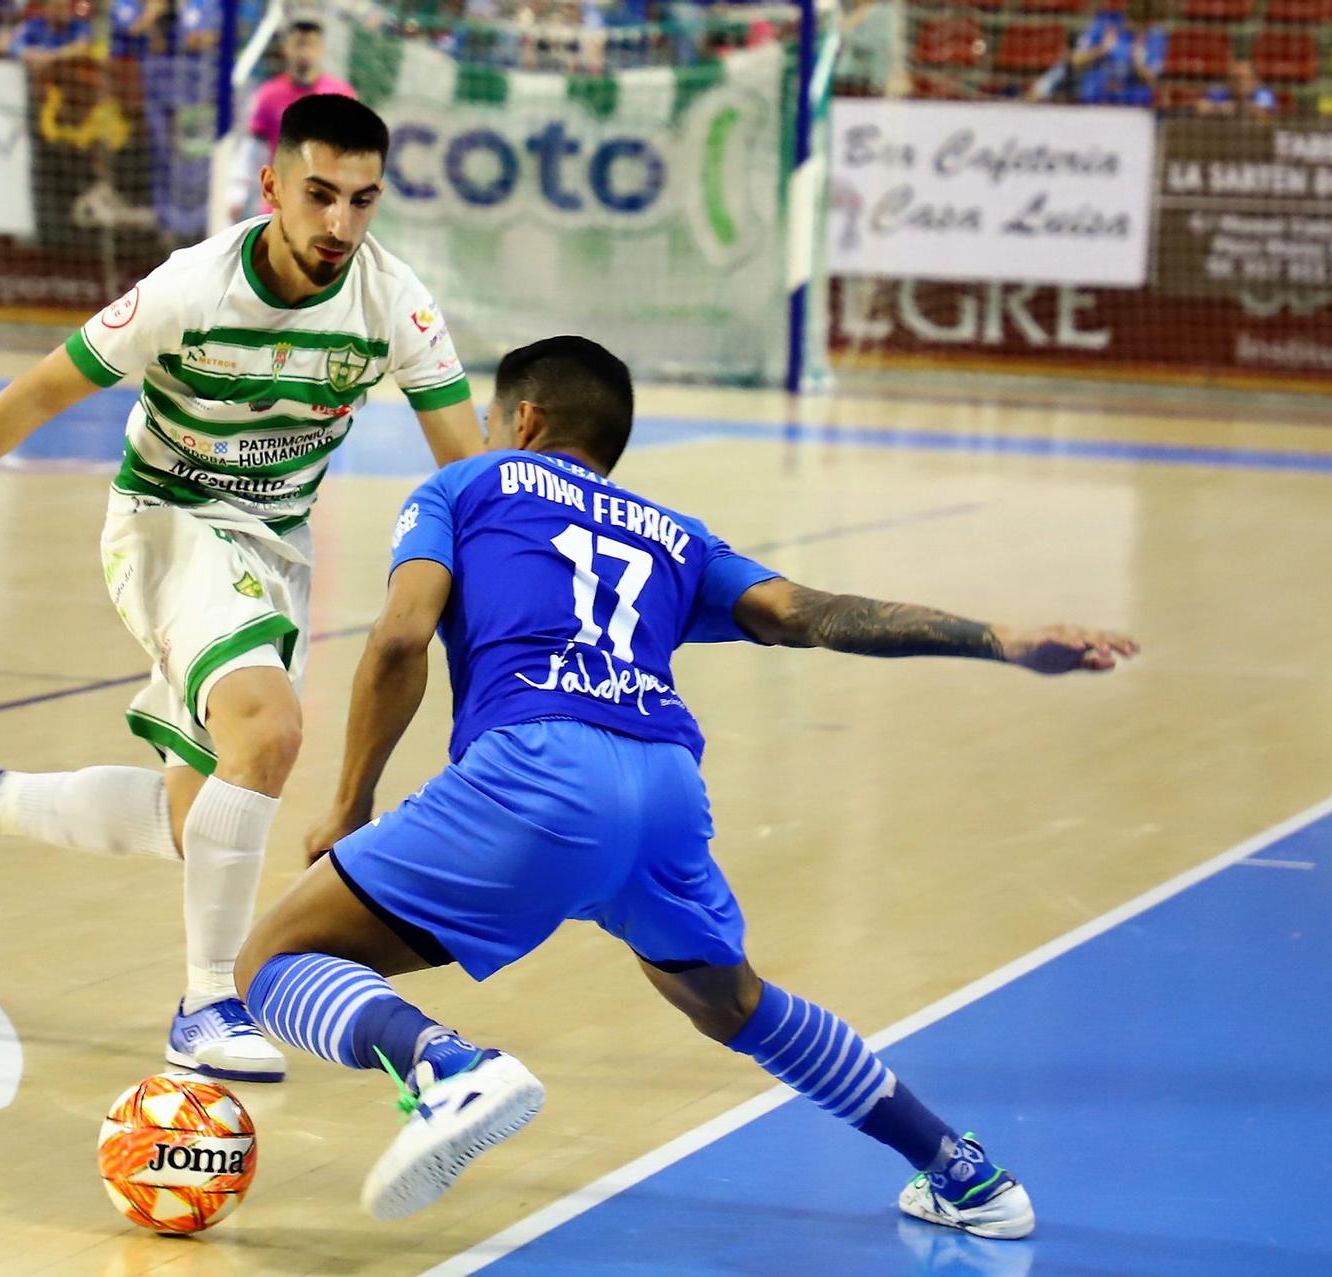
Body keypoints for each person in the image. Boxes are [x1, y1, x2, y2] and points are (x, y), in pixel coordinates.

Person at [233, 335, 1137, 1225]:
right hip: (664, 786)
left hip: (537, 770)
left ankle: (448, 1067)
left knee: (271, 960)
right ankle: (961, 1171)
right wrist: (997, 638)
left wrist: (350, 800)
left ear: (526, 417)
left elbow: (400, 636)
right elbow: (810, 614)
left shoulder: (467, 483)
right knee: (732, 1001)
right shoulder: (675, 535)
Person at [0, 94, 483, 1084]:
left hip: (271, 545)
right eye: (319, 196)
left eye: (362, 200)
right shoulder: (189, 289)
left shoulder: (394, 303)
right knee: (267, 734)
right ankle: (207, 1000)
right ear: (271, 187)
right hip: (166, 521)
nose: (340, 225)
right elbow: (39, 392)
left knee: (201, 822)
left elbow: (468, 474)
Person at [228, 20, 357, 224]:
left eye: (311, 45)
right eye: (299, 44)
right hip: (280, 203)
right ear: (287, 48)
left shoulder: (342, 96)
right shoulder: (269, 95)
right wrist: (237, 193)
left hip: (327, 205)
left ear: (322, 49)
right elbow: (252, 150)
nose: (305, 52)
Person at [1070, 0, 1166, 107]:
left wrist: (1139, 64)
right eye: (1135, 24)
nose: (1140, 31)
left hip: (1133, 105)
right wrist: (1102, 49)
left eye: (1145, 27)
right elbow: (1076, 60)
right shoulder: (1103, 25)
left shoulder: (1155, 36)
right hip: (1095, 100)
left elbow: (1152, 80)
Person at [4, 0, 92, 61]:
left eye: (64, 7)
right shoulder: (34, 24)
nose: (62, 12)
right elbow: (13, 46)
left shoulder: (77, 26)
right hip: (36, 76)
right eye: (57, 7)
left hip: (67, 76)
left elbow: (82, 47)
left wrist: (49, 56)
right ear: (46, 8)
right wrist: (34, 55)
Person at [1199, 58, 1275, 117]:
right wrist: (1220, 108)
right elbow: (1201, 107)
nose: (1238, 83)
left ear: (1254, 81)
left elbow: (1264, 112)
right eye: (1234, 78)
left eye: (1243, 78)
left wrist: (1235, 108)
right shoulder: (1220, 91)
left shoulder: (1263, 93)